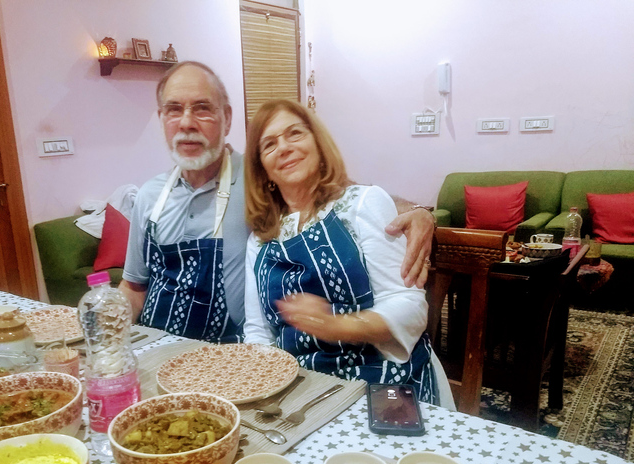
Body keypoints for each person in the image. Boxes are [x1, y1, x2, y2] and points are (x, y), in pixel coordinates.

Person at [121, 61, 437, 343]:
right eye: (174, 109)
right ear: (162, 118)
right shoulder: (149, 196)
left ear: (226, 118)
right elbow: (134, 288)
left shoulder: (257, 177)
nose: (187, 122)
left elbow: (346, 198)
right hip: (153, 342)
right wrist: (107, 325)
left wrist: (420, 212)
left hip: (224, 350)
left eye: (202, 108)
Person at [243, 99, 453, 407]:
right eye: (269, 144)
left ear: (318, 143)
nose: (284, 147)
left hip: (386, 381)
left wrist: (338, 326)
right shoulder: (260, 239)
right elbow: (258, 331)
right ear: (263, 171)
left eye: (295, 134)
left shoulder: (362, 204)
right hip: (302, 391)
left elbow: (409, 306)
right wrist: (264, 387)